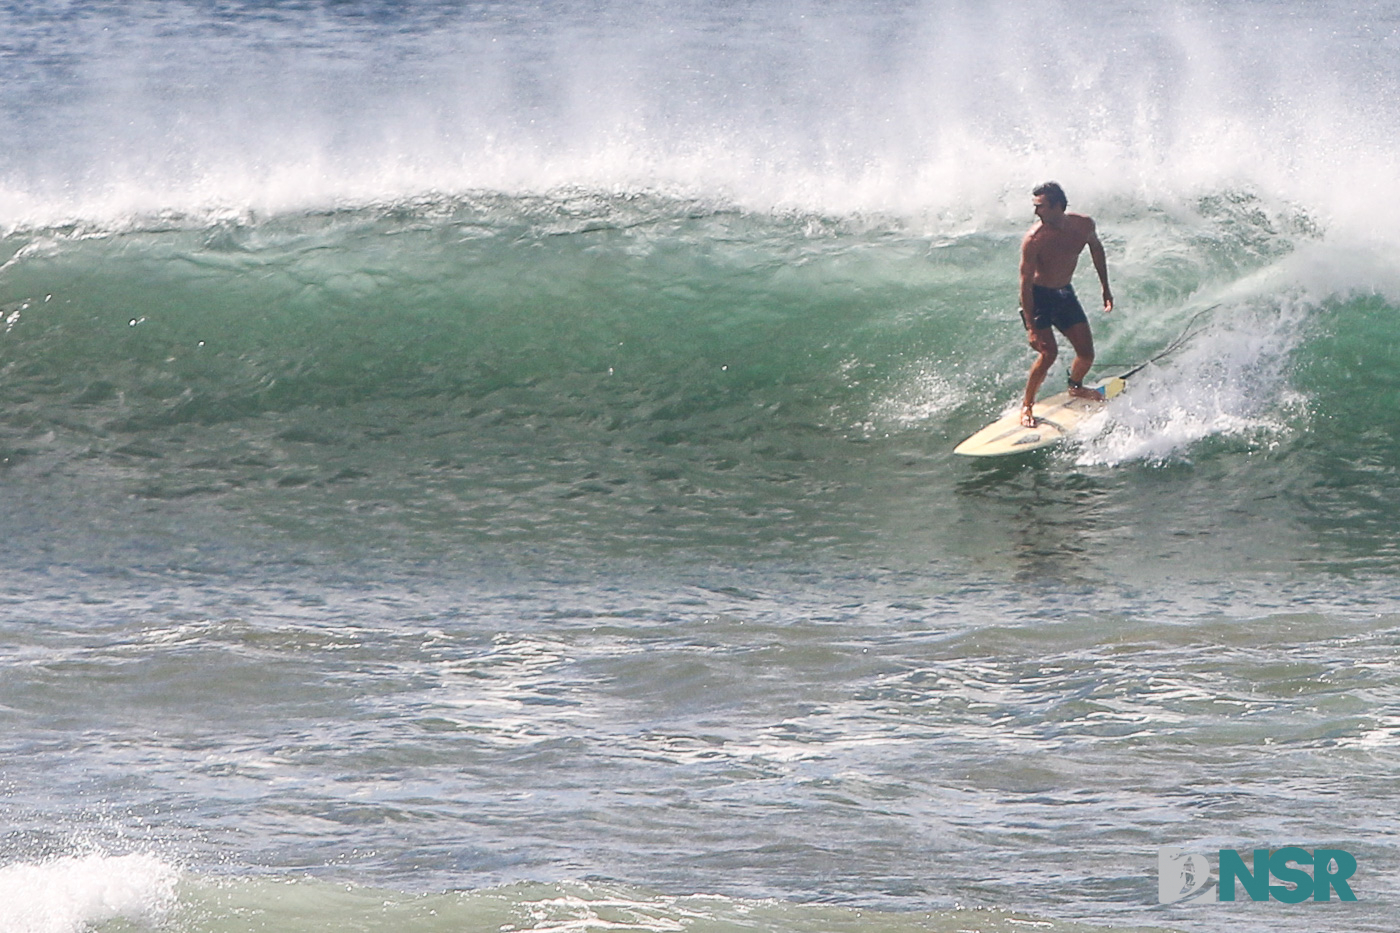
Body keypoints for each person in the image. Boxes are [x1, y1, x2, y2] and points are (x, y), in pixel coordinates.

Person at [1017, 181, 1113, 428]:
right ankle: (1027, 405)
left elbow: (1096, 249)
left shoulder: (1083, 225)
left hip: (1064, 294)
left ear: (1058, 206)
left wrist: (1105, 286)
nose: (1036, 212)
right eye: (1035, 207)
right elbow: (1025, 284)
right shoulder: (1034, 239)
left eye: (1041, 207)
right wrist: (1031, 326)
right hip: (1038, 297)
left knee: (1086, 353)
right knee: (1049, 354)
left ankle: (1075, 387)